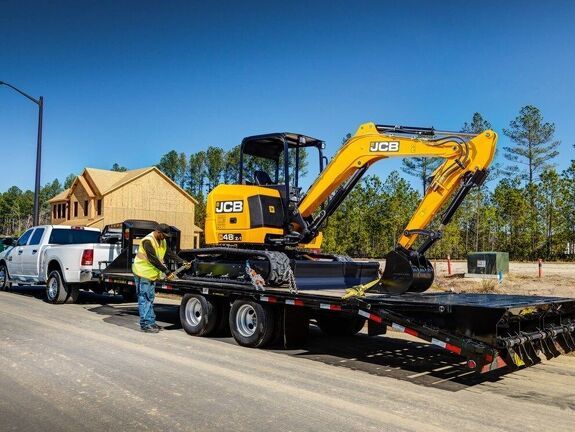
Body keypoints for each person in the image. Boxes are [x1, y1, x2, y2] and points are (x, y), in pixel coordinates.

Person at [132, 223, 189, 333]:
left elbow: (168, 253)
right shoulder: (147, 241)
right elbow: (154, 259)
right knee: (145, 299)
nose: (165, 238)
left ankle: (151, 322)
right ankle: (145, 324)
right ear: (158, 232)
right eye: (164, 235)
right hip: (142, 272)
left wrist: (181, 261)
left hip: (151, 274)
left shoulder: (162, 240)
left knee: (150, 298)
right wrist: (167, 272)